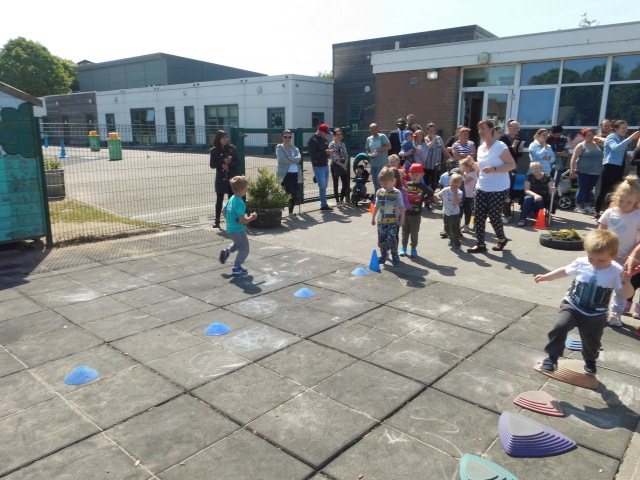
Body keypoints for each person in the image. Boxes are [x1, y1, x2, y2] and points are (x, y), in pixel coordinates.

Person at [535, 229, 632, 375]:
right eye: (591, 258)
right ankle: (552, 357)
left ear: (613, 256)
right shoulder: (582, 262)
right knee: (560, 326)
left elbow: (627, 294)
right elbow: (565, 270)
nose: (595, 263)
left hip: (596, 314)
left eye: (601, 260)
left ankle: (590, 359)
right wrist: (547, 277)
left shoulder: (616, 271)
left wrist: (627, 282)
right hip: (572, 305)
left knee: (592, 341)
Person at [597, 174, 640, 327]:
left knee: (621, 288)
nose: (624, 204)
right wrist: (602, 251)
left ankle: (615, 313)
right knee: (602, 284)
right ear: (616, 196)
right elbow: (600, 233)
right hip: (606, 256)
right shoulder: (610, 212)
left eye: (629, 202)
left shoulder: (638, 216)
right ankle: (598, 310)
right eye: (621, 200)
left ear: (636, 200)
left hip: (625, 260)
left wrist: (632, 256)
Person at [468, 120, 516, 253]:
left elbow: (512, 165)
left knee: (494, 215)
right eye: (479, 129)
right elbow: (481, 168)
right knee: (479, 215)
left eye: (483, 128)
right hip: (482, 186)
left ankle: (501, 239)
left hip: (498, 187)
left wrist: (495, 169)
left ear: (491, 130)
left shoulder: (500, 146)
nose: (481, 132)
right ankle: (480, 244)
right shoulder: (480, 148)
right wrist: (471, 163)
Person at [595, 120, 640, 217]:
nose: (625, 130)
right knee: (604, 190)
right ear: (616, 129)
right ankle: (597, 212)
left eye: (626, 128)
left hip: (619, 167)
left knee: (615, 191)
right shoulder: (611, 137)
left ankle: (611, 211)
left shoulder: (622, 138)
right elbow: (615, 148)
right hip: (610, 166)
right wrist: (630, 138)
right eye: (623, 128)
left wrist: (628, 156)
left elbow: (621, 151)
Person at [218, 176, 258, 275]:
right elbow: (242, 220)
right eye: (247, 187)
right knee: (244, 248)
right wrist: (252, 218)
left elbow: (223, 210)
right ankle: (237, 267)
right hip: (238, 230)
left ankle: (227, 251)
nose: (247, 189)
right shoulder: (240, 203)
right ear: (242, 189)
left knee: (237, 243)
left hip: (230, 229)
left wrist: (230, 220)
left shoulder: (232, 199)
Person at [371, 167, 405, 266]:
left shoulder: (396, 193)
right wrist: (373, 217)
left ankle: (395, 255)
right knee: (381, 239)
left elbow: (401, 207)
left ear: (393, 181)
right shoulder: (379, 192)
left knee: (391, 239)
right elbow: (377, 205)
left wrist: (402, 219)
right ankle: (383, 255)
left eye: (386, 183)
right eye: (381, 183)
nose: (384, 185)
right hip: (381, 221)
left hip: (392, 222)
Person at [401, 163, 432, 257]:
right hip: (406, 212)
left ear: (421, 175)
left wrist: (423, 199)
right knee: (405, 231)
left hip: (416, 213)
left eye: (416, 174)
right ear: (409, 174)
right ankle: (403, 247)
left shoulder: (422, 186)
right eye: (412, 174)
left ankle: (413, 248)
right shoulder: (407, 184)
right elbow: (403, 195)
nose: (414, 176)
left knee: (414, 232)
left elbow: (431, 193)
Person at [569, 128, 603, 214]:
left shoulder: (598, 144)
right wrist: (572, 170)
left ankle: (588, 206)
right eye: (588, 135)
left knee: (589, 189)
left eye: (592, 134)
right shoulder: (581, 145)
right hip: (583, 171)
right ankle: (578, 206)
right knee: (582, 188)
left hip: (596, 171)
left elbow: (607, 143)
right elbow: (574, 158)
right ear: (584, 137)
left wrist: (600, 139)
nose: (591, 136)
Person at [210, 130, 238, 229]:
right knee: (219, 200)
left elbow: (237, 162)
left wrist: (229, 165)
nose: (225, 139)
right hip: (220, 178)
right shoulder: (214, 151)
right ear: (218, 139)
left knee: (230, 200)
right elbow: (212, 164)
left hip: (231, 178)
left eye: (226, 137)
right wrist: (222, 163)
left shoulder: (231, 149)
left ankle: (230, 219)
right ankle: (217, 220)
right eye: (223, 138)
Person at [499, 120, 525, 222]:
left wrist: (520, 151)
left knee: (509, 190)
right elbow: (501, 153)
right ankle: (503, 213)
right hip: (503, 166)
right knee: (504, 190)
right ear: (509, 128)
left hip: (513, 166)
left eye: (518, 129)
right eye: (515, 128)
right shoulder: (503, 138)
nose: (516, 131)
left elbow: (517, 155)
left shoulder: (518, 138)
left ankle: (507, 213)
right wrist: (512, 147)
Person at [518, 162, 556, 227]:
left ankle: (537, 214)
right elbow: (526, 190)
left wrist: (553, 190)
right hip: (531, 195)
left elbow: (551, 191)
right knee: (528, 199)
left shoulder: (547, 177)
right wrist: (535, 195)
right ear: (531, 170)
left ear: (541, 168)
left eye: (538, 168)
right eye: (534, 169)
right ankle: (522, 219)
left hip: (544, 197)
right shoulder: (529, 177)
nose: (536, 170)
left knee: (538, 200)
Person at [307, 123, 335, 211]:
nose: (326, 135)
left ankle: (324, 204)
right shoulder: (312, 140)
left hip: (325, 164)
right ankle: (323, 205)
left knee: (325, 185)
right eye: (325, 133)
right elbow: (313, 155)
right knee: (322, 186)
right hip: (317, 165)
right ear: (320, 131)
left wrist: (329, 152)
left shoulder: (324, 140)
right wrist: (325, 153)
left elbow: (325, 152)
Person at [276, 130, 301, 216]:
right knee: (291, 193)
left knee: (294, 194)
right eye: (285, 137)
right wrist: (293, 160)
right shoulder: (279, 147)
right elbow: (282, 159)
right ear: (282, 137)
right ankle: (279, 207)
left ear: (291, 138)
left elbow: (298, 159)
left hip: (295, 173)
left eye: (289, 137)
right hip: (285, 174)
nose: (287, 139)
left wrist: (288, 158)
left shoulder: (295, 148)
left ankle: (290, 212)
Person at [438, 173, 464, 252]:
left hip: (454, 214)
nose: (454, 187)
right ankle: (451, 238)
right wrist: (444, 199)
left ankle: (457, 244)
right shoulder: (446, 190)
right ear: (449, 182)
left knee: (453, 229)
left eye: (456, 186)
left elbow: (456, 203)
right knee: (446, 228)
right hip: (446, 212)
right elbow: (439, 194)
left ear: (460, 184)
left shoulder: (459, 193)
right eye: (452, 185)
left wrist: (455, 194)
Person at [425, 123, 453, 189]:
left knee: (435, 181)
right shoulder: (425, 138)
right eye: (430, 130)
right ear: (427, 131)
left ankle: (433, 192)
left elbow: (444, 149)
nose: (432, 132)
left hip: (437, 164)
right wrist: (433, 139)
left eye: (433, 130)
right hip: (428, 164)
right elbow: (428, 147)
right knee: (428, 181)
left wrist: (451, 158)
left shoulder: (439, 138)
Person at [365, 123, 391, 193]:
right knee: (375, 181)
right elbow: (367, 150)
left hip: (382, 163)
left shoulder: (382, 136)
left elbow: (389, 146)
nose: (374, 131)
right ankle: (377, 195)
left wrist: (378, 150)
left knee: (381, 181)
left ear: (378, 129)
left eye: (375, 130)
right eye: (372, 130)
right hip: (373, 163)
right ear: (370, 130)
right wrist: (370, 155)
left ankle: (383, 196)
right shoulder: (369, 139)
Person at [329, 128, 349, 207]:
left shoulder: (343, 144)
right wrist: (341, 164)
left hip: (343, 164)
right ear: (334, 135)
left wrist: (345, 164)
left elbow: (346, 154)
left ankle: (341, 199)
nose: (340, 136)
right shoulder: (332, 144)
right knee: (336, 183)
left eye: (341, 134)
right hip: (336, 165)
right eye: (338, 134)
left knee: (345, 183)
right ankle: (337, 201)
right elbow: (333, 157)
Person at [459, 156, 479, 233]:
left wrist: (461, 175)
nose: (463, 169)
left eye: (464, 168)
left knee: (467, 211)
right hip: (464, 194)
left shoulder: (472, 174)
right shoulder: (468, 173)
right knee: (461, 210)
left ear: (469, 167)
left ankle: (466, 225)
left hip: (469, 195)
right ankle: (460, 224)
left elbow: (464, 182)